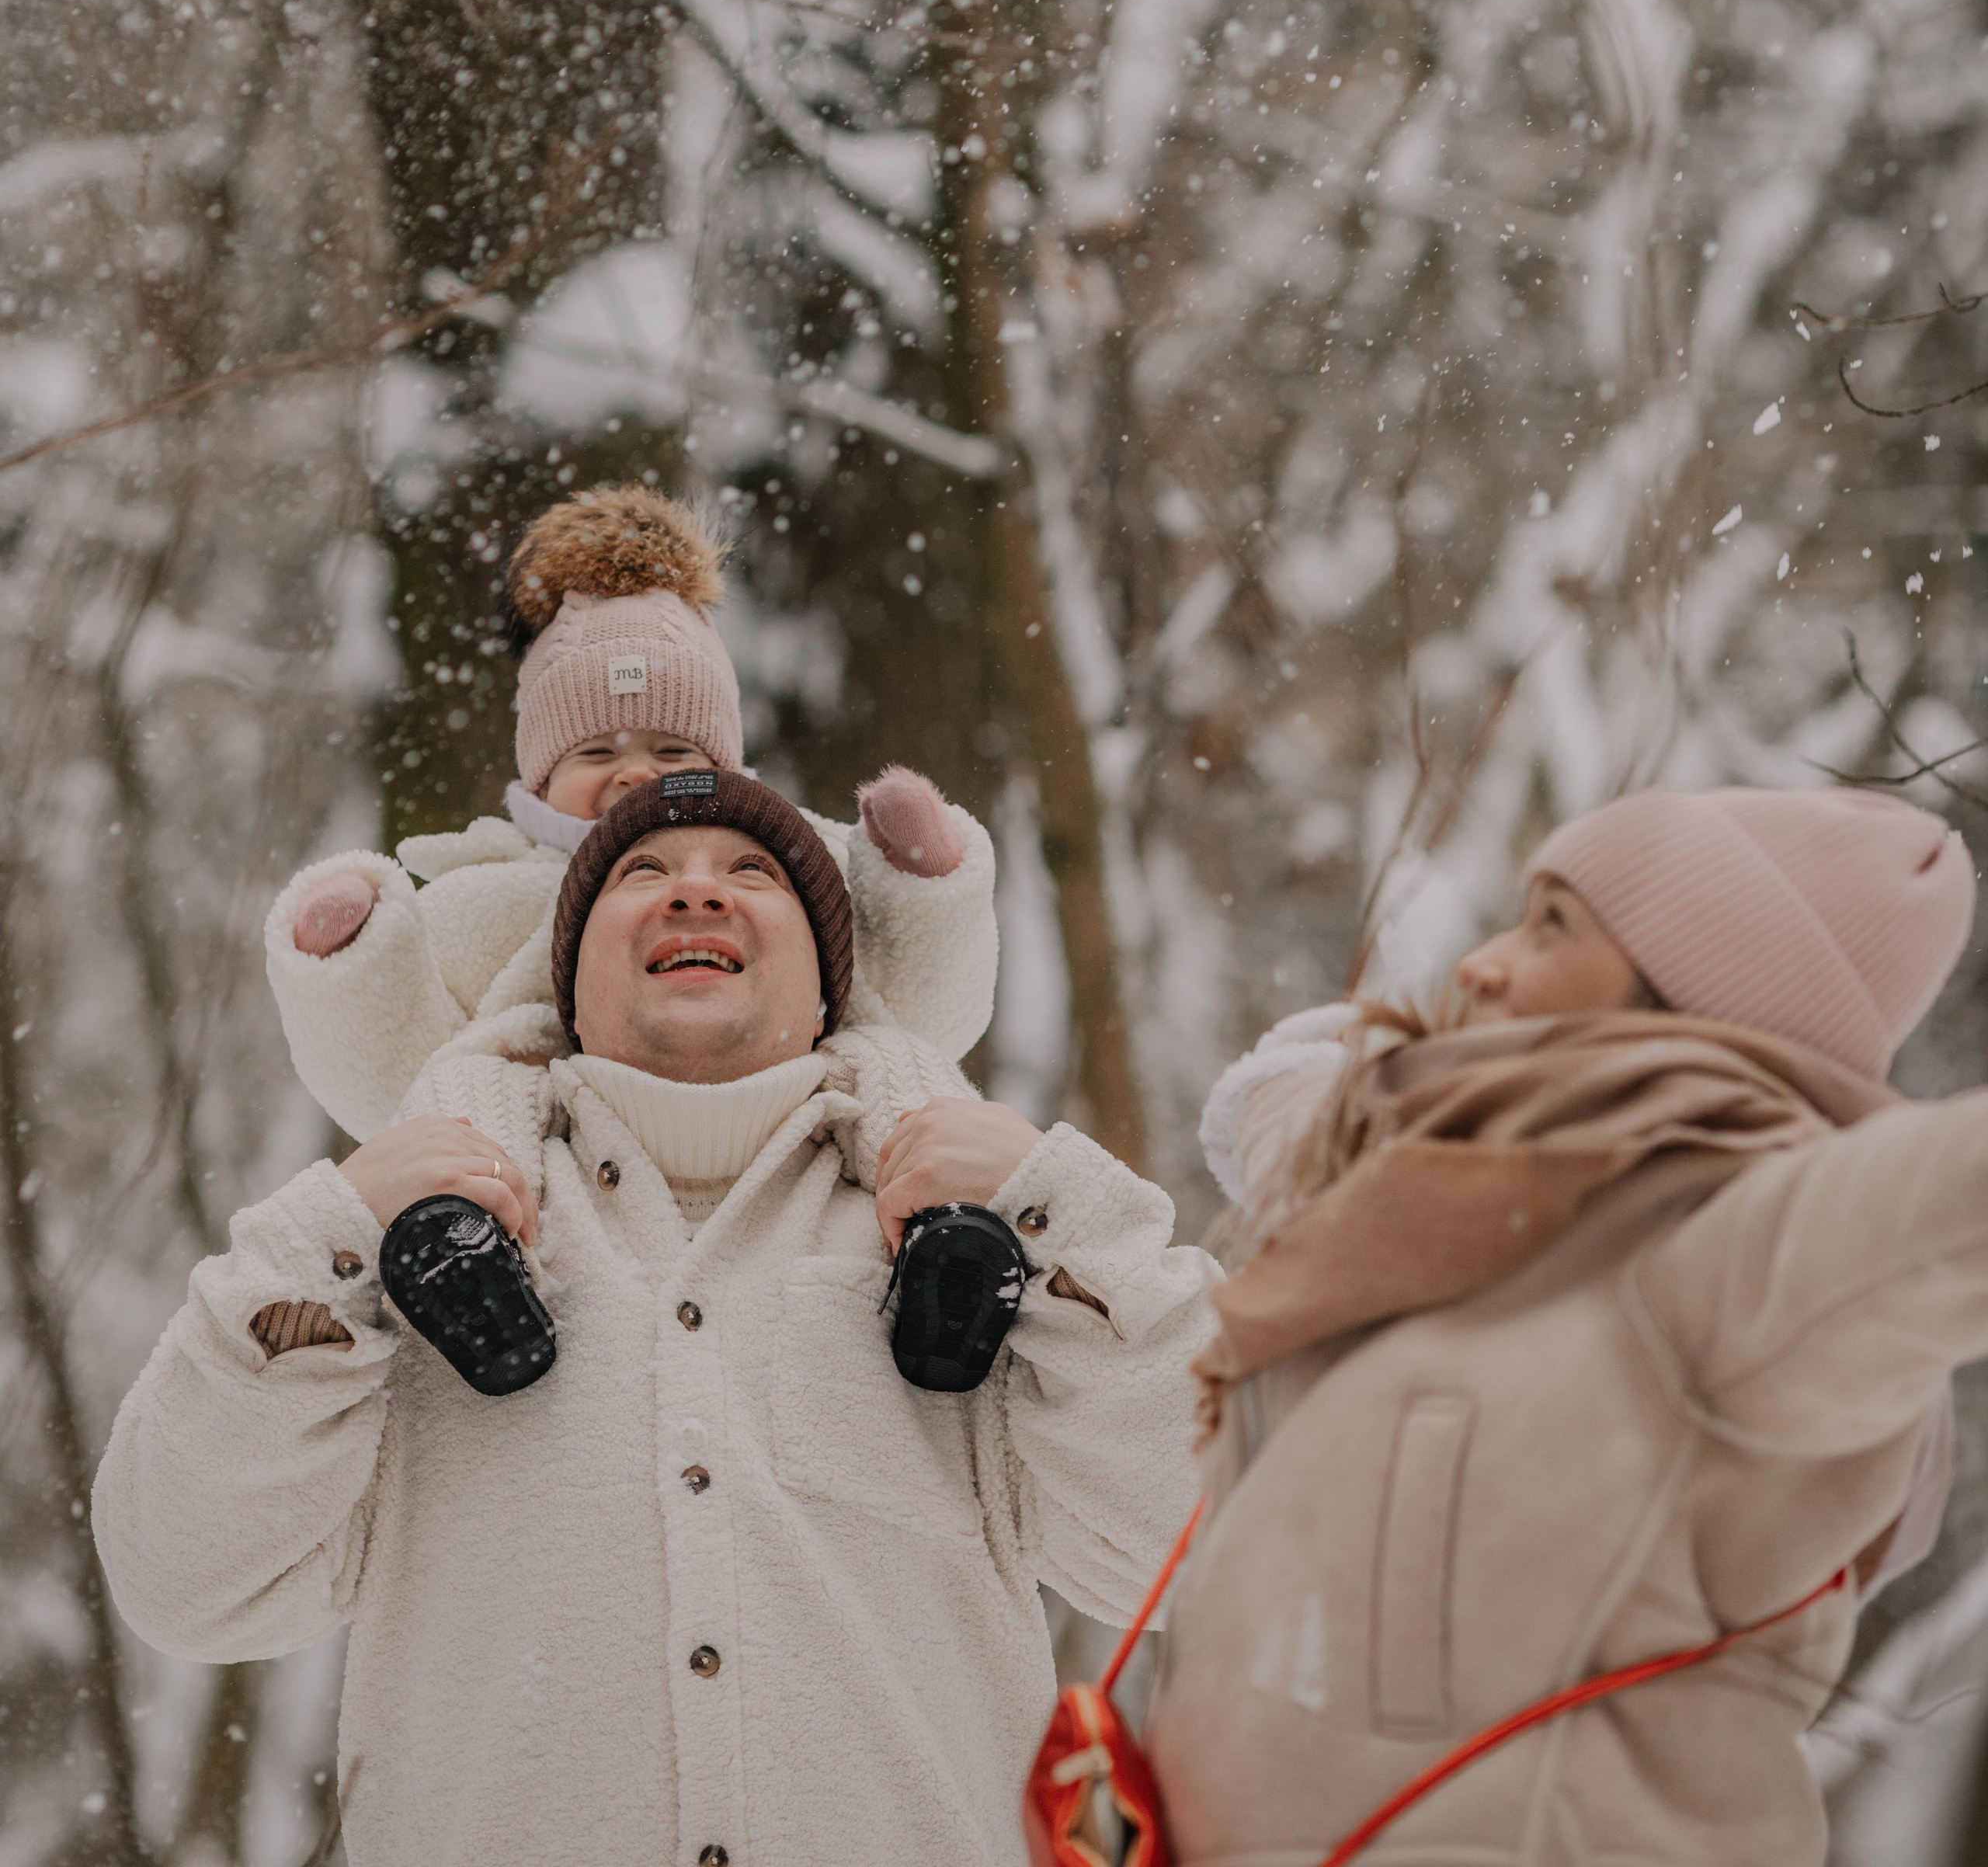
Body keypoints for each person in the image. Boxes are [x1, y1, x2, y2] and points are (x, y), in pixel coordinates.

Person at [96, 767, 1215, 1867]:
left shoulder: (975, 1254)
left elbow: (1212, 1546)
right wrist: (332, 1226)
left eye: (750, 872)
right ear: (567, 989)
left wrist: (1057, 1201)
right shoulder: (408, 1269)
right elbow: (186, 1582)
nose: (696, 891)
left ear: (830, 987)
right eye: (642, 870)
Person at [1149, 785, 1979, 1867]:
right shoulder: (1436, 1206)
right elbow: (1324, 1126)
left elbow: (1938, 1205)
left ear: (1690, 997)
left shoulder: (1731, 1249)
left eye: (1552, 927)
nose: (1481, 964)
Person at [268, 484, 1003, 1139]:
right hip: (544, 1174)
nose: (635, 775)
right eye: (595, 754)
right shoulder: (484, 899)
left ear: (725, 767)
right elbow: (397, 1084)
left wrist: (920, 889)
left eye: (673, 751)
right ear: (539, 778)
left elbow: (922, 1011)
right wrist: (355, 972)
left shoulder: (789, 869)